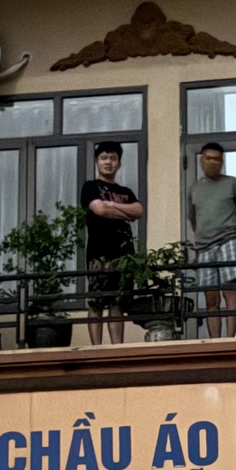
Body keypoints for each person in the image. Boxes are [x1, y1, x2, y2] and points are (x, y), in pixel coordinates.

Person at [185, 141, 236, 339]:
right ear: (201, 160)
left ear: (222, 161)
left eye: (216, 159)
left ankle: (230, 339)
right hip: (204, 247)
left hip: (228, 241)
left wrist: (231, 229)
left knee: (229, 291)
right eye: (208, 158)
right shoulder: (195, 188)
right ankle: (215, 340)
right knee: (210, 297)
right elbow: (193, 218)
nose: (212, 162)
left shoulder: (232, 182)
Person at [79, 141, 143, 345]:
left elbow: (139, 211)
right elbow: (100, 210)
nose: (109, 162)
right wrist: (124, 211)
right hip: (99, 253)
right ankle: (96, 348)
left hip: (123, 254)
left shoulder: (125, 191)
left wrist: (111, 205)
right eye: (104, 158)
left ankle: (117, 347)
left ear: (119, 164)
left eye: (113, 158)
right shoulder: (90, 187)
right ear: (97, 162)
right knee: (96, 301)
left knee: (117, 302)